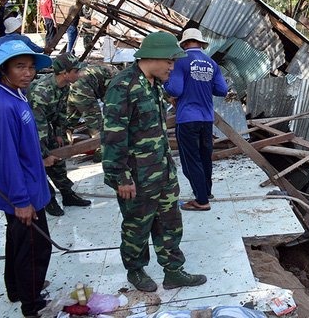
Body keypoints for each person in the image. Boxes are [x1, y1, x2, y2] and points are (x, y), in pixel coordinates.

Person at [102, 31, 206, 292]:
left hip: (162, 169)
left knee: (170, 221)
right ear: (154, 57)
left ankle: (173, 271)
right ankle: (135, 270)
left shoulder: (154, 84)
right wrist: (120, 177)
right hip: (136, 175)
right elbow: (113, 137)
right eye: (170, 61)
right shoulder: (122, 86)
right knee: (137, 224)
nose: (172, 67)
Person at [0, 40, 53, 318]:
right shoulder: (2, 107)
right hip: (21, 192)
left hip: (29, 185)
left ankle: (18, 289)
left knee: (17, 243)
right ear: (3, 70)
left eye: (30, 67)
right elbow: (8, 159)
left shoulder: (15, 95)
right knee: (36, 248)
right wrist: (22, 201)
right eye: (19, 67)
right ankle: (32, 303)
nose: (27, 73)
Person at [164, 28, 228, 211]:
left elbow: (175, 90)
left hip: (187, 119)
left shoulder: (180, 62)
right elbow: (222, 90)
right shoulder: (211, 63)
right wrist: (204, 85)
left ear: (184, 44)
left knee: (191, 159)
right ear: (201, 44)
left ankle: (201, 201)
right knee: (205, 157)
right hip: (206, 119)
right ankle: (206, 192)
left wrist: (165, 83)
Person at [28, 53, 91, 217]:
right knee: (39, 166)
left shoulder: (64, 87)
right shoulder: (41, 92)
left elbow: (61, 113)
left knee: (58, 160)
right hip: (29, 132)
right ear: (64, 73)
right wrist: (43, 154)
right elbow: (37, 127)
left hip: (44, 127)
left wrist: (58, 134)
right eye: (76, 71)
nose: (79, 74)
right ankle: (48, 200)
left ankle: (67, 195)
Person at [66, 64, 119, 161]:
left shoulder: (111, 71)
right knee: (96, 124)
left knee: (69, 120)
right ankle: (102, 154)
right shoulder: (118, 78)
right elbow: (109, 101)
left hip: (75, 85)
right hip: (83, 88)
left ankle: (59, 148)